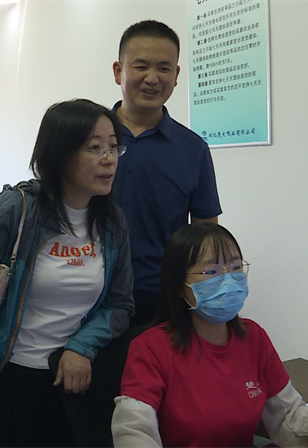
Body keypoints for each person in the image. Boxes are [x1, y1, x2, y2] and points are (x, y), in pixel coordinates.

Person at [0, 99, 135, 448]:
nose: (109, 159)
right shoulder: (15, 210)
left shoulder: (112, 222)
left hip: (65, 381)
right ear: (60, 156)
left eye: (113, 146)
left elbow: (120, 305)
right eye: (94, 148)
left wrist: (81, 347)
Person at [111, 223, 308, 447]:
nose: (228, 279)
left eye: (235, 267)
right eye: (211, 272)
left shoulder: (254, 337)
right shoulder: (151, 348)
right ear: (179, 285)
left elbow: (288, 416)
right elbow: (133, 430)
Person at [112, 20, 222, 326]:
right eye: (141, 66)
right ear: (118, 71)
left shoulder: (193, 149)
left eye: (164, 68)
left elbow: (205, 235)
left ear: (176, 75)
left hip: (162, 304)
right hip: (87, 299)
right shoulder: (88, 139)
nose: (152, 78)